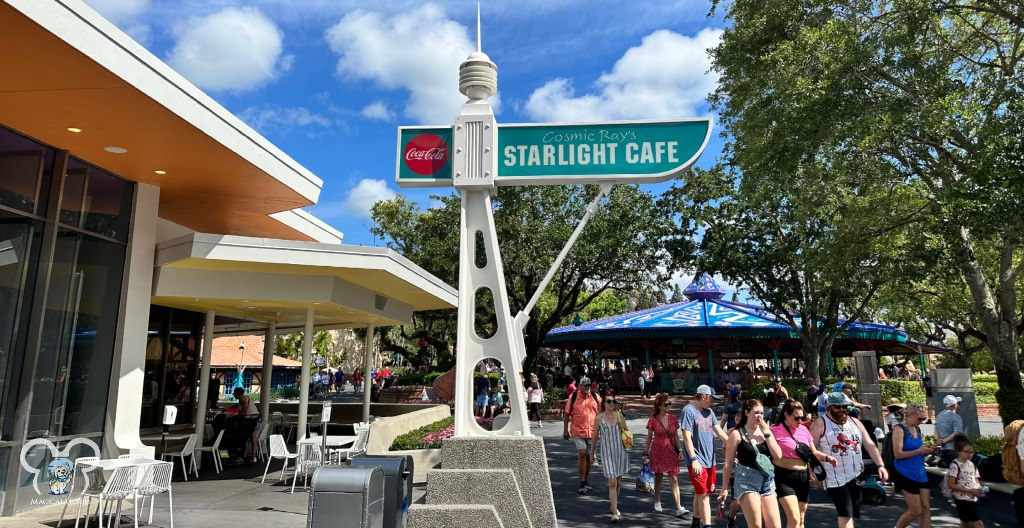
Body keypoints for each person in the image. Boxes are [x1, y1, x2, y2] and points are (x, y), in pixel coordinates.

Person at [810, 392, 888, 528]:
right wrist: (814, 473)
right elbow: (810, 451)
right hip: (834, 477)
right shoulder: (820, 424)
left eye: (845, 407)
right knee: (845, 513)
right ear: (829, 407)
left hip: (855, 475)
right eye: (838, 407)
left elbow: (869, 444)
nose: (842, 410)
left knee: (851, 513)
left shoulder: (854, 422)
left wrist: (880, 465)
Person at [771, 400, 837, 528]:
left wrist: (827, 458)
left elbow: (814, 452)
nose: (800, 421)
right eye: (796, 418)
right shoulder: (774, 430)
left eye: (802, 417)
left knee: (800, 520)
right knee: (794, 519)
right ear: (786, 415)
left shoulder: (803, 430)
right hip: (783, 477)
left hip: (802, 478)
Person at [718, 399, 783, 528]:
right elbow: (728, 462)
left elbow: (778, 455)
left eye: (762, 413)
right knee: (756, 525)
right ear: (747, 413)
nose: (760, 416)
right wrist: (724, 488)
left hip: (767, 479)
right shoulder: (736, 434)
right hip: (746, 480)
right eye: (756, 412)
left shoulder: (766, 432)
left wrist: (767, 433)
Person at [681, 384, 727, 528]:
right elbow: (686, 437)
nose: (713, 402)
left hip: (710, 460)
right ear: (703, 397)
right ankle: (707, 525)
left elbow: (719, 431)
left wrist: (734, 445)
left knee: (701, 493)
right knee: (704, 495)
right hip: (697, 460)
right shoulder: (688, 411)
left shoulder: (709, 412)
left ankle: (695, 522)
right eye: (711, 399)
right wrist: (693, 459)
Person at [890, 402, 938, 528]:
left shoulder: (917, 428)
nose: (922, 421)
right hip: (905, 473)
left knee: (926, 507)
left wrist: (929, 449)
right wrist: (920, 451)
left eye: (923, 418)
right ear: (910, 415)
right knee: (915, 510)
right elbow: (898, 454)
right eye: (920, 418)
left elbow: (918, 448)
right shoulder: (899, 429)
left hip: (920, 472)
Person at [642, 393, 688, 517]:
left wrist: (680, 450)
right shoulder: (653, 419)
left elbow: (676, 437)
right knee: (659, 477)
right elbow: (649, 438)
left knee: (674, 478)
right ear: (660, 406)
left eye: (669, 404)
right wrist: (645, 452)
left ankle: (679, 507)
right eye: (666, 404)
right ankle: (657, 500)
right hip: (658, 450)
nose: (668, 406)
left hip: (671, 451)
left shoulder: (673, 418)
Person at [591, 396, 631, 523]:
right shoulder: (599, 418)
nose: (612, 403)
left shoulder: (619, 415)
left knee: (618, 481)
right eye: (609, 401)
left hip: (619, 452)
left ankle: (614, 505)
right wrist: (592, 452)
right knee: (612, 482)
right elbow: (595, 437)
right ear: (604, 403)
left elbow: (627, 433)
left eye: (614, 401)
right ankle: (614, 513)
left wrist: (623, 425)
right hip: (607, 453)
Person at [563, 376, 601, 494]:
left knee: (590, 457)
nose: (587, 388)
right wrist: (565, 430)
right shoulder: (573, 397)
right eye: (585, 386)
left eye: (588, 385)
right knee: (582, 454)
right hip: (578, 431)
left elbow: (601, 414)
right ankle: (582, 481)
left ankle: (585, 480)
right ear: (580, 386)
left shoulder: (596, 397)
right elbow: (567, 414)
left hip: (592, 432)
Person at [946, 436, 985, 528]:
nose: (969, 454)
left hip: (972, 497)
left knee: (965, 522)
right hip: (962, 498)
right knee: (978, 523)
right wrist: (969, 491)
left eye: (971, 452)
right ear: (958, 452)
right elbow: (951, 484)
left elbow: (975, 480)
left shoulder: (972, 464)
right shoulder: (955, 465)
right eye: (966, 451)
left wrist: (979, 489)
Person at [230, 387, 259, 462]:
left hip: (251, 419)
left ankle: (244, 456)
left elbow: (245, 407)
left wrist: (241, 415)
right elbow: (237, 406)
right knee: (253, 437)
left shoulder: (242, 399)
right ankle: (253, 457)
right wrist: (228, 409)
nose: (233, 395)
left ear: (237, 394)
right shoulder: (245, 397)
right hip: (255, 417)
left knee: (245, 436)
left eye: (234, 393)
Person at [935, 395, 964, 465]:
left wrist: (938, 440)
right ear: (954, 405)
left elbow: (936, 429)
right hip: (953, 449)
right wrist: (945, 441)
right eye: (958, 403)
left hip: (942, 449)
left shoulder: (939, 415)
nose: (959, 405)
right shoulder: (957, 417)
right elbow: (957, 432)